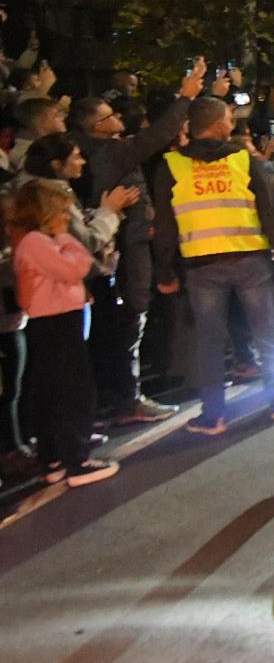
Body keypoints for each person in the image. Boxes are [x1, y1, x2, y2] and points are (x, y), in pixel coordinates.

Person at [152, 95, 274, 434]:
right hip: (250, 260)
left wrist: (165, 271)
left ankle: (212, 415)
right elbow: (269, 213)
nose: (233, 124)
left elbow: (165, 225)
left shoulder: (170, 165)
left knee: (210, 341)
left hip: (202, 265)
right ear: (218, 126)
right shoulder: (244, 160)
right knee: (267, 334)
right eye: (230, 118)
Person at [71, 62, 203, 425]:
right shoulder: (108, 151)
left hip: (119, 247)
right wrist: (185, 99)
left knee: (120, 324)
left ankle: (119, 396)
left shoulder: (93, 150)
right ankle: (128, 401)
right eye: (110, 116)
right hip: (129, 248)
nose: (118, 119)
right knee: (133, 319)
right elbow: (157, 136)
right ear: (97, 126)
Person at [8, 179, 119, 486]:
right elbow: (74, 267)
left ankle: (54, 457)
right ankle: (77, 461)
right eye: (60, 210)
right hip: (55, 323)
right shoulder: (36, 241)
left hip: (56, 321)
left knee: (54, 391)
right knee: (72, 391)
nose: (66, 217)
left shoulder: (34, 241)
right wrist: (68, 241)